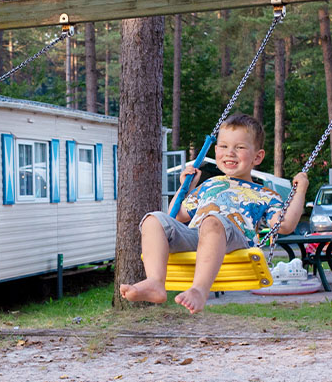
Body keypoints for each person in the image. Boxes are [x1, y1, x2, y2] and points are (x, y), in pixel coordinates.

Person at [121, 113, 308, 314]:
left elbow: (285, 225)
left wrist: (300, 191)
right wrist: (186, 187)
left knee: (212, 221)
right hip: (198, 236)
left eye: (240, 147)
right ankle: (155, 282)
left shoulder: (264, 194)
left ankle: (199, 290)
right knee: (153, 219)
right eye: (224, 146)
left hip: (234, 239)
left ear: (258, 157)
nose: (230, 153)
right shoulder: (208, 185)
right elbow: (175, 217)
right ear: (216, 149)